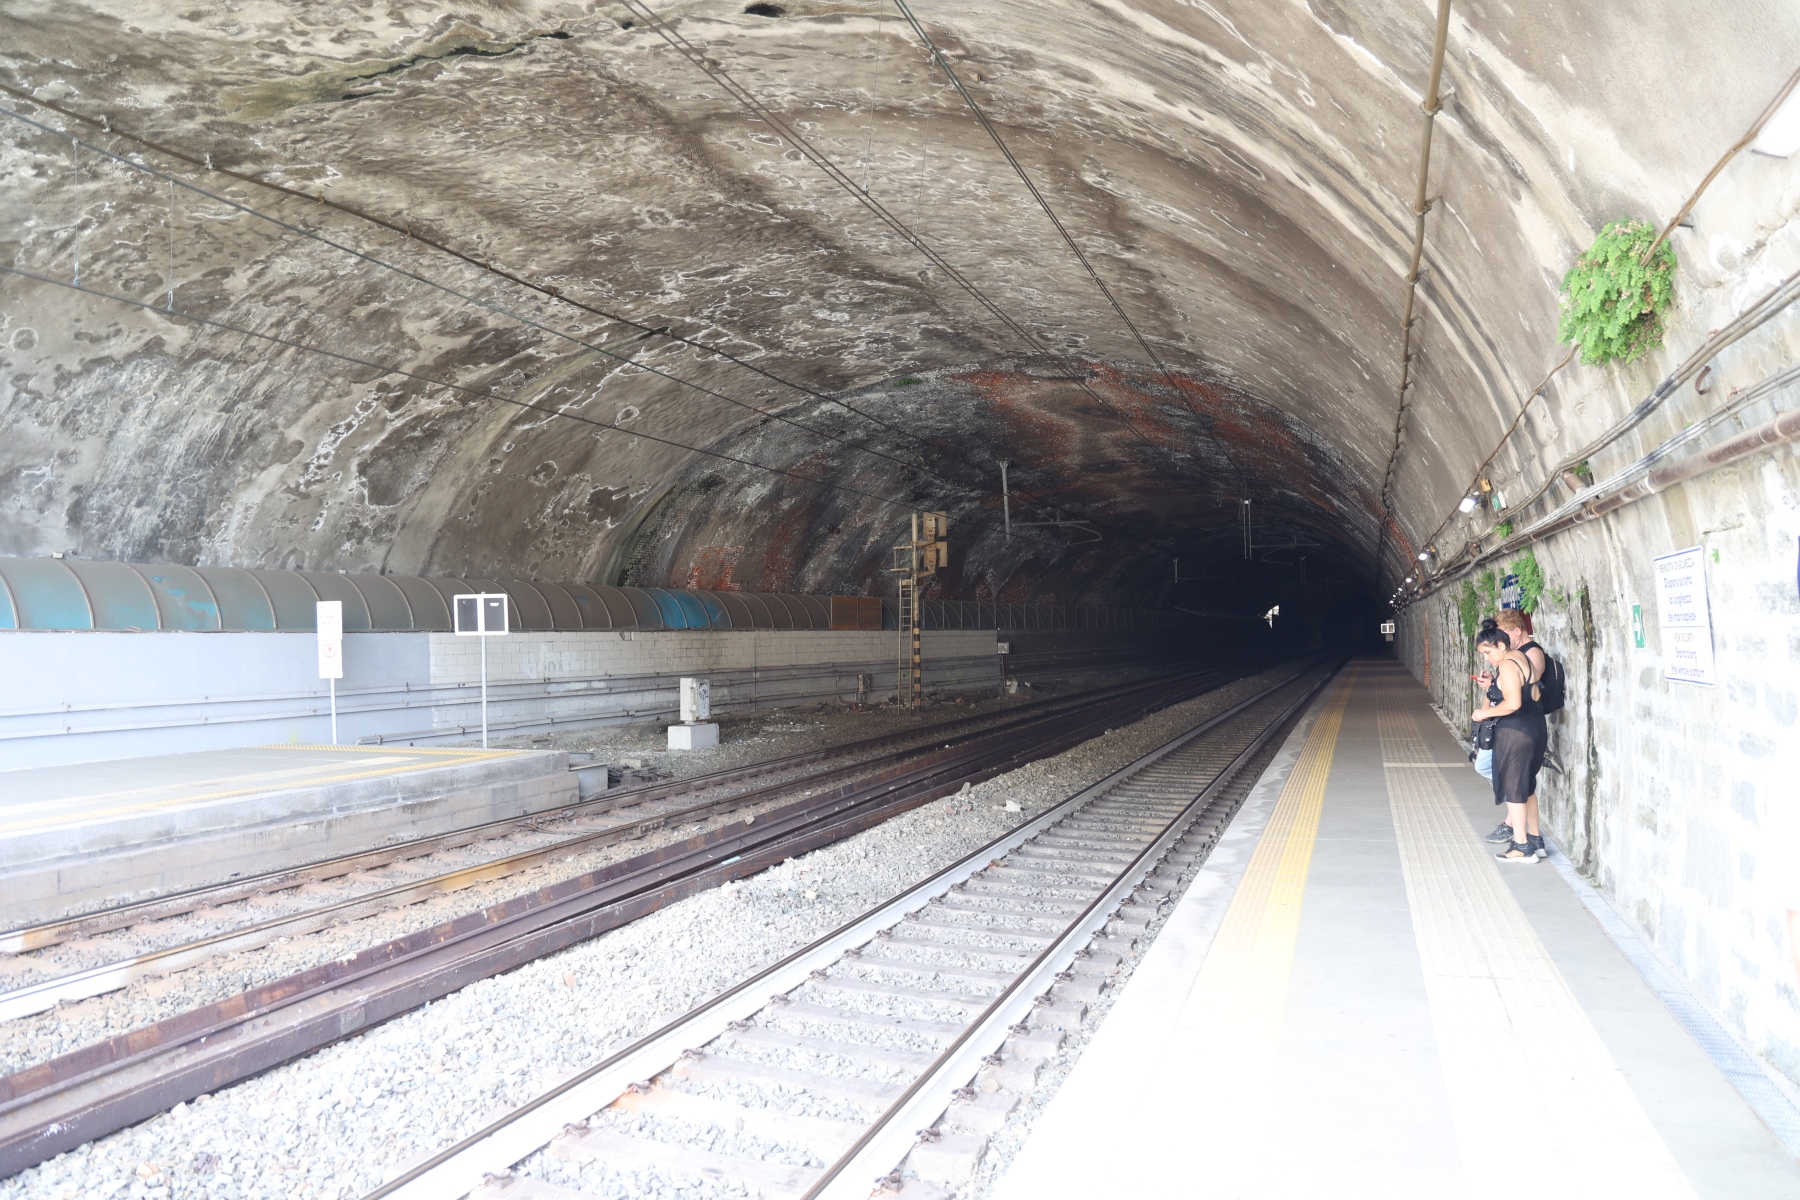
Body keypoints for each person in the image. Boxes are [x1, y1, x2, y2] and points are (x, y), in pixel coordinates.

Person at [1472, 620, 1547, 862]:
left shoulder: (1507, 666)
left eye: (1488, 652)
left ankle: (1521, 846)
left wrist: (1484, 713)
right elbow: (1533, 693)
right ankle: (1535, 840)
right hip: (1534, 727)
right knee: (1528, 786)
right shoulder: (1522, 658)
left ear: (1501, 645)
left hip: (1515, 733)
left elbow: (1513, 703)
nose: (1487, 658)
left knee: (1514, 789)